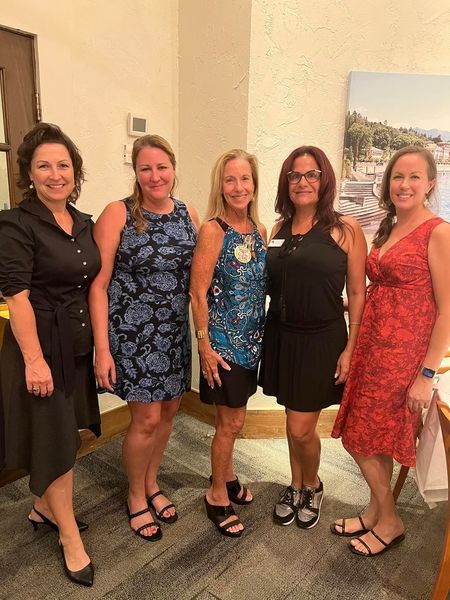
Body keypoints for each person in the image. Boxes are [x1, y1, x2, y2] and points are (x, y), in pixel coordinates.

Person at [331, 146, 450, 556]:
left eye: (415, 177)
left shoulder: (438, 232)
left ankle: (391, 520)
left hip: (402, 358)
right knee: (371, 438)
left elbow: (447, 309)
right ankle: (375, 512)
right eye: (398, 176)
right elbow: (381, 287)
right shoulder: (389, 228)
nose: (405, 184)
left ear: (430, 184)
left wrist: (427, 375)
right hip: (372, 348)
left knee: (360, 439)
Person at [0, 123, 100, 587]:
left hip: (73, 345)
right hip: (38, 348)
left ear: (75, 172)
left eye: (63, 165)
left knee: (66, 434)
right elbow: (17, 297)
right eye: (44, 166)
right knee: (56, 441)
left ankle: (43, 507)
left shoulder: (82, 222)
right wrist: (34, 361)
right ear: (29, 173)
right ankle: (68, 535)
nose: (55, 174)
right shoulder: (15, 224)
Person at [89, 134, 199, 542]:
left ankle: (152, 482)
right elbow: (98, 285)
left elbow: (200, 275)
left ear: (173, 168)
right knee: (146, 418)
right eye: (145, 168)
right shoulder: (118, 213)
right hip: (132, 334)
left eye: (161, 167)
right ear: (135, 172)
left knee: (169, 413)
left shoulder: (188, 213)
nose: (155, 176)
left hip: (173, 332)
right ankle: (135, 495)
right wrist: (102, 349)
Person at [259, 145, 367, 530]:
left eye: (311, 174)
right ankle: (295, 484)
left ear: (324, 180)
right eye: (294, 175)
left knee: (301, 428)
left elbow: (357, 293)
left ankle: (313, 485)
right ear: (286, 181)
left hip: (321, 339)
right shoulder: (277, 230)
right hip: (282, 335)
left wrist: (351, 348)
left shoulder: (345, 229)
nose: (302, 182)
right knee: (292, 420)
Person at [190, 149, 267, 537]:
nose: (238, 187)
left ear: (254, 184)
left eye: (244, 179)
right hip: (223, 346)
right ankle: (217, 494)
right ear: (220, 186)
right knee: (230, 422)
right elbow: (197, 293)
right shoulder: (213, 230)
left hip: (252, 344)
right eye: (230, 180)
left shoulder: (259, 230)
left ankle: (228, 475)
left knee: (233, 421)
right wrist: (204, 346)